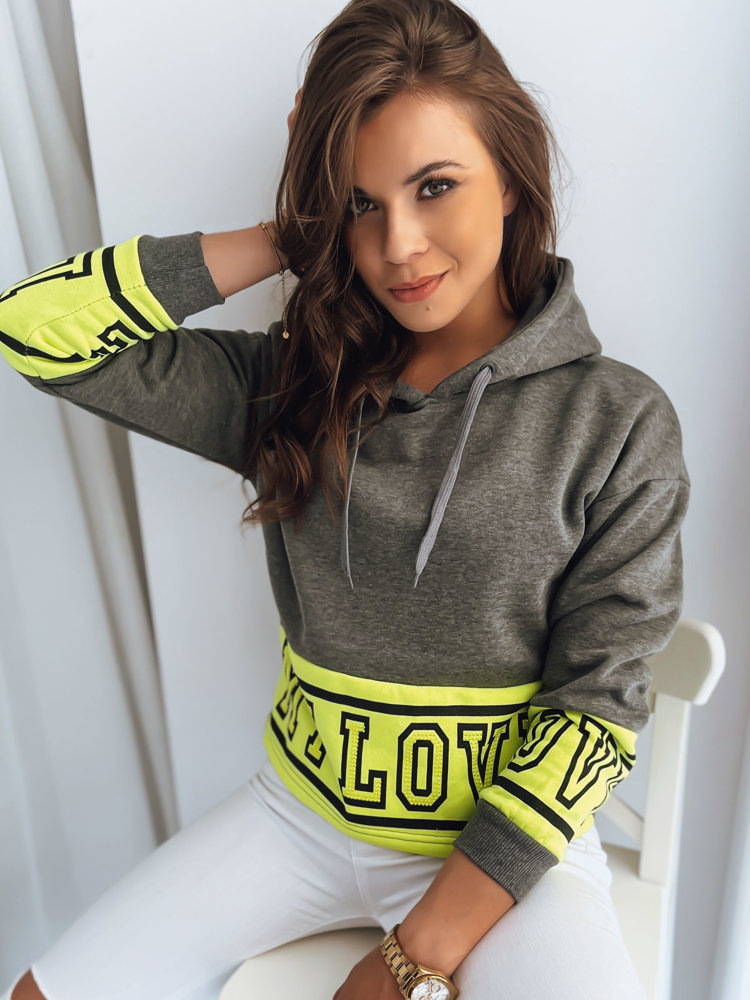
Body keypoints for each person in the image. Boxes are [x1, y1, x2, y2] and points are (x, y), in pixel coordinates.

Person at [0, 0, 689, 997]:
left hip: (504, 856)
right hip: (297, 817)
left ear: (511, 175)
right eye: (362, 204)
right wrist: (292, 233)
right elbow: (34, 330)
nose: (399, 244)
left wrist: (418, 952)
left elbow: (596, 709)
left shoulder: (614, 418)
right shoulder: (293, 385)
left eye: (435, 186)